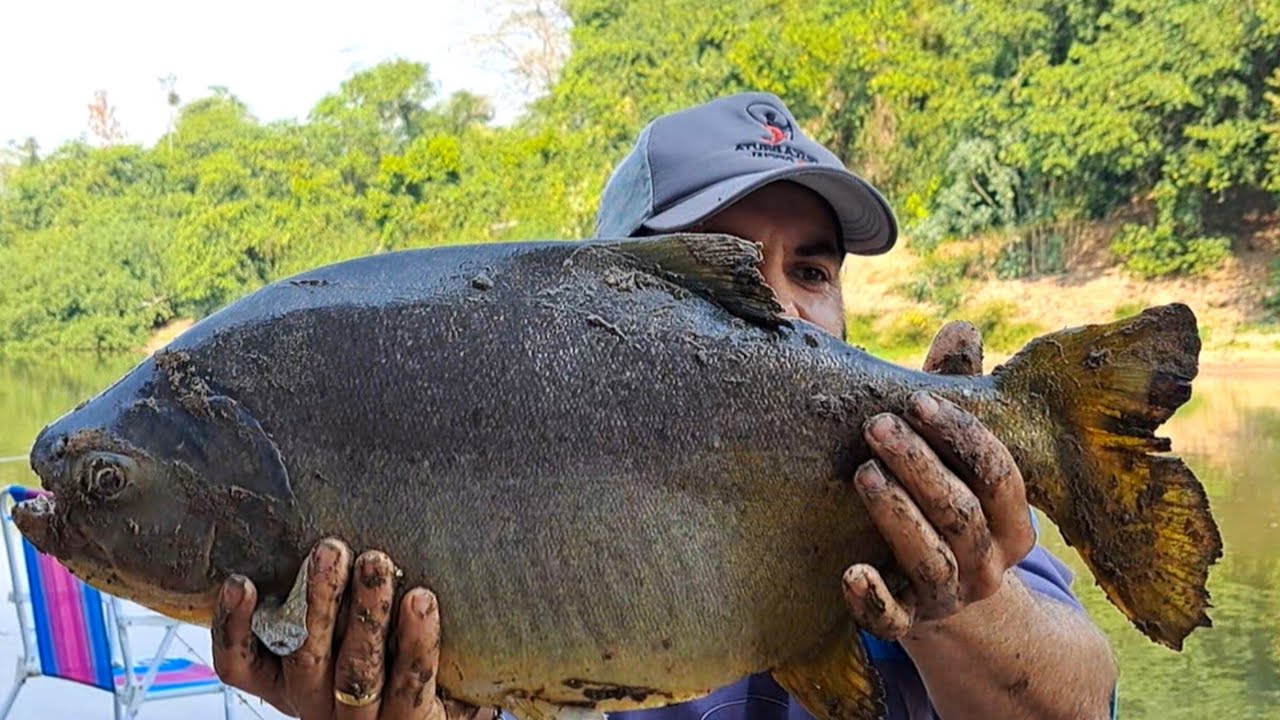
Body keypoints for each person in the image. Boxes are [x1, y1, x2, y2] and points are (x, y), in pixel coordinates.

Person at [210, 92, 1119, 720]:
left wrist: (962, 604)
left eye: (811, 270)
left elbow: (1084, 702)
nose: (781, 304)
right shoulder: (503, 511)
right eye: (724, 271)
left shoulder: (929, 497)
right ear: (594, 307)